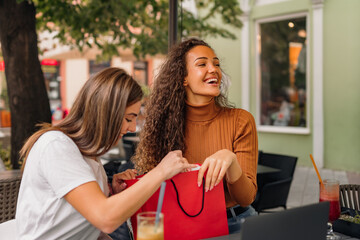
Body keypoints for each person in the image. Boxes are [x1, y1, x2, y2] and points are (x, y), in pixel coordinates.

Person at [16, 67, 195, 240]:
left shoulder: (87, 156)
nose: (132, 128)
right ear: (106, 113)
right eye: (128, 119)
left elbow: (91, 225)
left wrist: (113, 196)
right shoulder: (56, 146)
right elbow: (105, 219)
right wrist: (161, 171)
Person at [133, 38, 258, 233]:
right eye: (202, 64)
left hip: (235, 223)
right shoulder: (163, 126)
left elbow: (246, 198)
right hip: (183, 222)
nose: (214, 69)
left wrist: (230, 160)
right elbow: (158, 188)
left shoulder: (241, 120)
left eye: (216, 64)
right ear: (183, 77)